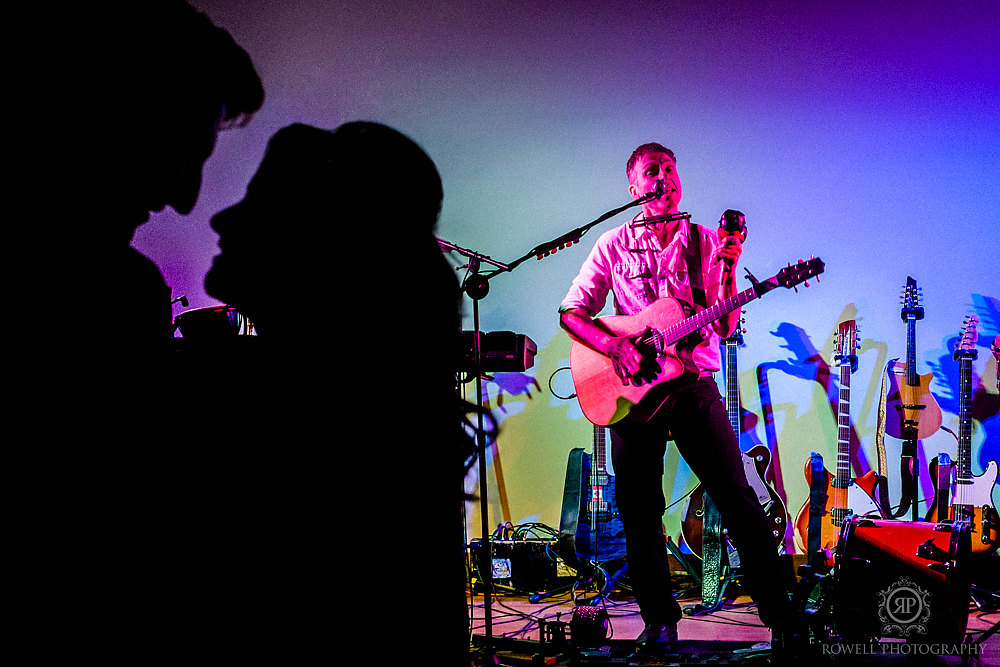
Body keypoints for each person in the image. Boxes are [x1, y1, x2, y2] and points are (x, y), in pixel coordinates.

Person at [201, 121, 476, 664]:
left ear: (322, 244)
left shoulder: (312, 446)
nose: (219, 216)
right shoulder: (392, 433)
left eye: (260, 202)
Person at [559, 143, 795, 654]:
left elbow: (727, 323)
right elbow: (572, 312)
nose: (664, 177)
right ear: (634, 188)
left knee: (737, 500)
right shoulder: (612, 243)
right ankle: (659, 624)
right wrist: (614, 345)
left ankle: (783, 619)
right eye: (652, 171)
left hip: (691, 384)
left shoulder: (704, 241)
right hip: (633, 393)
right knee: (640, 513)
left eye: (670, 169)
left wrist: (730, 265)